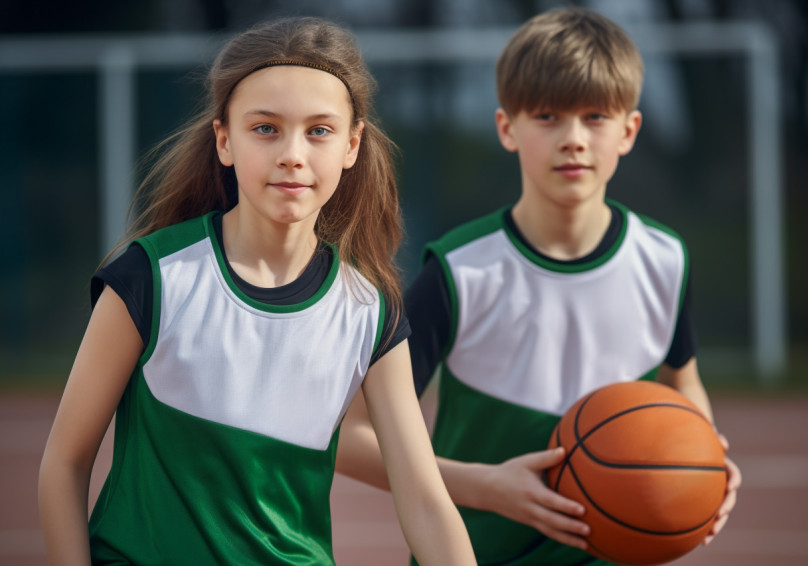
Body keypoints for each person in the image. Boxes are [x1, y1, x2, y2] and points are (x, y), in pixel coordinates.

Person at [38, 16, 476, 566]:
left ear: (351, 145)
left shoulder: (371, 310)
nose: (292, 153)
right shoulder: (151, 277)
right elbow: (65, 463)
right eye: (265, 128)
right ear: (225, 139)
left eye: (319, 130)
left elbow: (426, 502)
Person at [336, 6, 741, 565]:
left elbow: (683, 384)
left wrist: (704, 462)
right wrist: (486, 486)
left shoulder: (663, 259)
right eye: (548, 116)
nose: (573, 139)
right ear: (508, 128)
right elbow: (353, 436)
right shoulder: (460, 272)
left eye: (595, 117)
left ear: (629, 131)